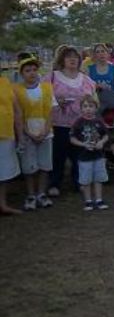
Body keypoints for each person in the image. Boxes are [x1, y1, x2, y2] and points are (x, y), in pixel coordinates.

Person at [46, 45, 97, 197]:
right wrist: (56, 101)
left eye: (75, 56)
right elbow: (43, 95)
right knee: (58, 155)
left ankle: (79, 182)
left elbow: (94, 99)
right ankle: (54, 183)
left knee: (79, 154)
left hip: (80, 123)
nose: (72, 59)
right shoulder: (52, 77)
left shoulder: (86, 80)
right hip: (58, 123)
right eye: (68, 56)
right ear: (62, 60)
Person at [14, 57, 56, 211]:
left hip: (45, 131)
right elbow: (18, 114)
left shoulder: (46, 87)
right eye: (27, 70)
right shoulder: (17, 90)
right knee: (29, 166)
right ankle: (31, 194)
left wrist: (45, 131)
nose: (32, 73)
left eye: (34, 70)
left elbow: (51, 111)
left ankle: (41, 193)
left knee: (44, 165)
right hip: (27, 132)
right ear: (22, 73)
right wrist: (28, 133)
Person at [69, 96, 110, 211]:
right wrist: (83, 144)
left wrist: (101, 142)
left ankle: (99, 199)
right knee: (86, 180)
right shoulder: (78, 123)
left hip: (98, 156)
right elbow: (72, 138)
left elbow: (106, 134)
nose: (88, 109)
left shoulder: (99, 121)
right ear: (81, 108)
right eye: (85, 106)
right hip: (84, 156)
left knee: (98, 178)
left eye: (91, 106)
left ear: (96, 108)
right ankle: (88, 201)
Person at [0, 72, 24, 215]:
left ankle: (2, 205)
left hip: (6, 134)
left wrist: (20, 135)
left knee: (4, 173)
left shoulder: (5, 82)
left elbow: (17, 111)